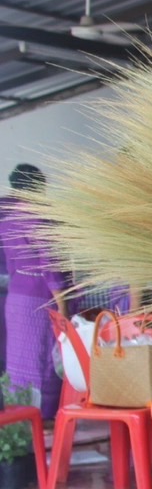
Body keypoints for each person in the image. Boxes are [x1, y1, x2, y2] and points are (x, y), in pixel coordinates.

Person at [0, 164, 69, 417]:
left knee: (19, 363)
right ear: (39, 186)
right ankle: (45, 417)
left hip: (16, 301)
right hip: (40, 300)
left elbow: (10, 265)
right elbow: (52, 267)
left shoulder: (7, 220)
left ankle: (21, 416)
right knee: (44, 362)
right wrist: (63, 307)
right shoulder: (39, 217)